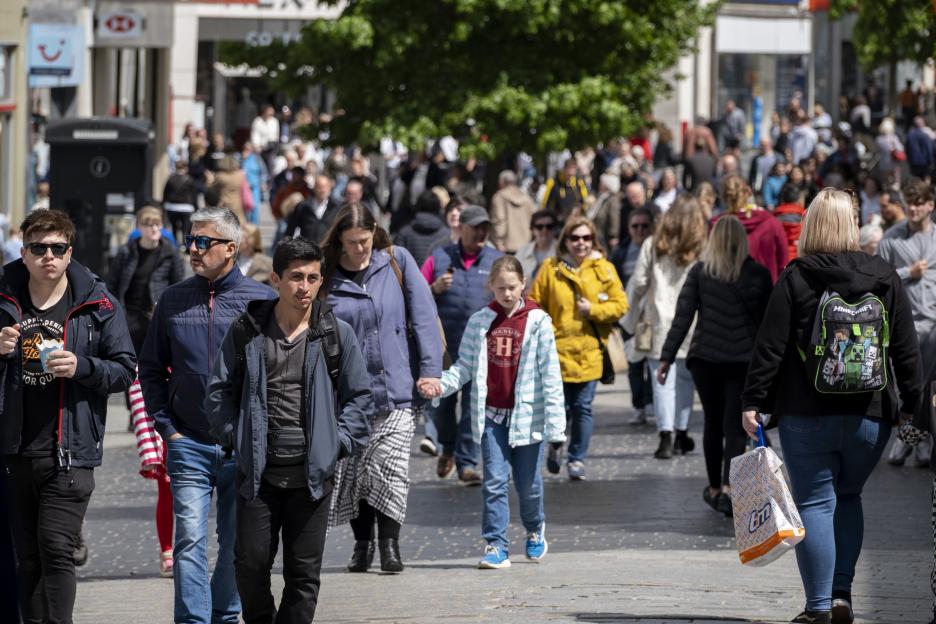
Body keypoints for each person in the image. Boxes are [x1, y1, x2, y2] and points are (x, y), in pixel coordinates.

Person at [741, 188, 923, 624]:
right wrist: (912, 405)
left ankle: (818, 607)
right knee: (849, 497)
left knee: (816, 503)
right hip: (871, 415)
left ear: (812, 225)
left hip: (807, 413)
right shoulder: (884, 275)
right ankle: (842, 595)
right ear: (852, 224)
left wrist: (754, 401)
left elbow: (770, 346)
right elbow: (905, 347)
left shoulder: (797, 276)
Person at [204, 237, 372, 623]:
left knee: (303, 576)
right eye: (296, 277)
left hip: (312, 478)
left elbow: (360, 398)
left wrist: (337, 444)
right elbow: (217, 393)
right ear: (276, 279)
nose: (305, 287)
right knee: (249, 565)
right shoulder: (248, 332)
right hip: (258, 476)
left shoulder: (334, 334)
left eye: (313, 278)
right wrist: (238, 435)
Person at [139, 207, 276, 624]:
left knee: (237, 544)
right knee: (189, 540)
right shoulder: (174, 298)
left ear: (231, 248)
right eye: (191, 240)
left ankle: (224, 613)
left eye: (204, 242)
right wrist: (168, 429)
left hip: (243, 444)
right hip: (189, 441)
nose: (193, 250)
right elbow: (150, 368)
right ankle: (194, 620)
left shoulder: (262, 300)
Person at [1, 209, 136, 623]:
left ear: (69, 252)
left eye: (57, 249)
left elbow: (125, 368)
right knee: (27, 558)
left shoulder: (97, 301)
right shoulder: (4, 296)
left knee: (57, 549)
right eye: (38, 248)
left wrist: (82, 367)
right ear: (23, 253)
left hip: (70, 450)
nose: (48, 257)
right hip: (14, 449)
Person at [418, 256, 565, 569]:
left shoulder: (538, 322)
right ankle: (496, 544)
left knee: (528, 486)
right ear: (491, 287)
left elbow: (551, 375)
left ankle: (535, 529)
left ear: (523, 284)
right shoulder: (480, 321)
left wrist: (556, 427)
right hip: (493, 417)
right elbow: (465, 367)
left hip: (528, 417)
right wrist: (439, 385)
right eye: (500, 288)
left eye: (512, 287)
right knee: (495, 481)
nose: (507, 294)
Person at [320, 204, 443, 573]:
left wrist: (430, 370)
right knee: (355, 473)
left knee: (388, 469)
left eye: (365, 240)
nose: (360, 249)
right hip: (347, 395)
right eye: (352, 243)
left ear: (376, 231)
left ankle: (390, 546)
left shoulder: (396, 261)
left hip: (396, 389)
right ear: (339, 240)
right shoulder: (326, 276)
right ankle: (363, 545)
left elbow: (423, 317)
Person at [658, 216, 772, 515]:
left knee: (712, 422)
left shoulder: (700, 272)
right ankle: (730, 488)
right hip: (742, 360)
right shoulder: (758, 274)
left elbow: (683, 317)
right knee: (735, 425)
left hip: (706, 360)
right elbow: (767, 326)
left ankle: (713, 487)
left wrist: (666, 357)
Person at [106, 206, 184, 576]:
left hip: (161, 326)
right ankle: (168, 550)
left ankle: (178, 548)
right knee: (134, 377)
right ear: (138, 227)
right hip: (133, 323)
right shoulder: (128, 252)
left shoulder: (171, 255)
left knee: (178, 479)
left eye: (156, 224)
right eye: (146, 224)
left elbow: (179, 287)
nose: (151, 230)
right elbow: (117, 283)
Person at [530, 216, 627, 480]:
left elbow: (620, 304)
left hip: (590, 352)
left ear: (593, 240)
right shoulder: (550, 268)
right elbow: (534, 304)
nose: (580, 243)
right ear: (566, 241)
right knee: (558, 407)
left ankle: (576, 458)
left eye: (586, 238)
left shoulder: (604, 269)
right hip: (557, 351)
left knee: (582, 407)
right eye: (575, 238)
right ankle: (557, 443)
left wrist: (593, 310)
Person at [420, 205, 503, 484]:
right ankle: (447, 446)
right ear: (462, 228)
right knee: (439, 406)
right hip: (445, 348)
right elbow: (416, 297)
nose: (481, 233)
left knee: (473, 408)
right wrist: (435, 289)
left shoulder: (496, 260)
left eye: (485, 228)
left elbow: (513, 295)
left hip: (481, 348)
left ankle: (467, 463)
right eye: (476, 227)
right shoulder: (439, 257)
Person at [626, 197, 706, 459]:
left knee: (661, 380)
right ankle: (682, 432)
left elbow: (638, 282)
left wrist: (627, 318)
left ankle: (665, 436)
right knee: (684, 379)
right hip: (691, 321)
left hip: (658, 321)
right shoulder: (700, 247)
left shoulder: (653, 244)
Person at [876, 179, 936, 469]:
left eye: (918, 203)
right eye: (908, 203)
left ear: (930, 206)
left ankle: (917, 438)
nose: (912, 209)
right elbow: (877, 278)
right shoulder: (891, 239)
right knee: (909, 385)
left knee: (926, 386)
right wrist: (908, 272)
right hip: (905, 325)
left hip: (933, 325)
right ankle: (909, 437)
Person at [613, 208, 655, 426]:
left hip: (652, 314)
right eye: (635, 226)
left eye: (644, 226)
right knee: (634, 362)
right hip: (629, 314)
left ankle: (651, 402)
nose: (639, 230)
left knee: (652, 360)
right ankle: (638, 404)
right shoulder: (621, 252)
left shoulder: (657, 249)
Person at [715, 175, 789, 283]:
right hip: (766, 292)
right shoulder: (772, 223)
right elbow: (783, 264)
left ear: (724, 197)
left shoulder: (718, 226)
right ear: (748, 192)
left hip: (726, 292)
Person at [393, 190, 449, 267]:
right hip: (438, 277)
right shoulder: (446, 233)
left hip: (410, 278)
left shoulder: (405, 233)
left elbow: (396, 260)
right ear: (438, 207)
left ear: (417, 206)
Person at [490, 170, 536, 254]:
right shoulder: (527, 198)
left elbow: (499, 220)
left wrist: (499, 241)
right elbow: (534, 219)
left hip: (506, 246)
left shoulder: (499, 197)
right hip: (526, 245)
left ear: (501, 182)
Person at [287, 175, 340, 245]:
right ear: (314, 188)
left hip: (328, 250)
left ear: (329, 188)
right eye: (320, 187)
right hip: (308, 250)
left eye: (325, 187)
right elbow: (290, 229)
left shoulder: (336, 207)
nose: (322, 190)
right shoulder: (303, 207)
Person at [515, 210, 558, 286]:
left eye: (549, 227)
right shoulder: (522, 252)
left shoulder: (563, 252)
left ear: (554, 230)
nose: (544, 230)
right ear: (533, 230)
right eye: (539, 227)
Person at [541, 158, 588, 223]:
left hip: (575, 219)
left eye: (573, 170)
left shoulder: (579, 182)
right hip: (558, 220)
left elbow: (585, 201)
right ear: (564, 169)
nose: (571, 173)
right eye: (569, 169)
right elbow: (545, 203)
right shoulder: (553, 182)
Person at [163, 161, 199, 245]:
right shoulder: (190, 180)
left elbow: (165, 193)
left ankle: (174, 245)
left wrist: (163, 204)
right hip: (186, 208)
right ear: (186, 168)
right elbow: (194, 195)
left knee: (174, 228)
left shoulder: (170, 179)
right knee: (186, 229)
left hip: (172, 207)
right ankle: (186, 246)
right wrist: (196, 207)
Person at [773, 183, 808, 262]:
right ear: (799, 200)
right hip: (800, 260)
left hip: (778, 259)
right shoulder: (807, 219)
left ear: (782, 199)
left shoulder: (772, 218)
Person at [588, 172, 622, 249]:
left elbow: (614, 218)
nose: (600, 184)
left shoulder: (613, 199)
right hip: (597, 232)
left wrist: (613, 235)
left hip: (605, 235)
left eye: (602, 183)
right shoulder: (601, 197)